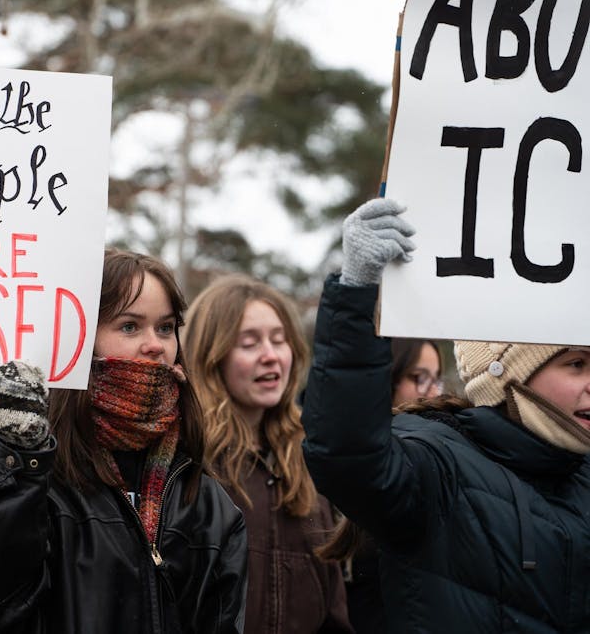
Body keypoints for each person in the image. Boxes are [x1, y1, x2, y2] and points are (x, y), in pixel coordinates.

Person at [0, 249, 248, 633]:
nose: (155, 344)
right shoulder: (18, 463)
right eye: (130, 326)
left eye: (165, 327)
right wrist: (17, 470)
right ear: (79, 338)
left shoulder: (206, 499)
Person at [302, 197, 590, 632]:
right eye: (577, 364)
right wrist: (357, 290)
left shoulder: (581, 473)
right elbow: (347, 454)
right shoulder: (436, 464)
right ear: (507, 373)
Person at [182, 273, 352, 633]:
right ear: (211, 355)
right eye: (249, 343)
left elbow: (334, 610)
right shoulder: (188, 463)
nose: (271, 355)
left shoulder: (307, 464)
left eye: (279, 340)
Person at [317, 336, 445, 633]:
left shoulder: (438, 459)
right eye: (418, 377)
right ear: (387, 378)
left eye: (436, 379)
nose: (431, 391)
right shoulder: (345, 455)